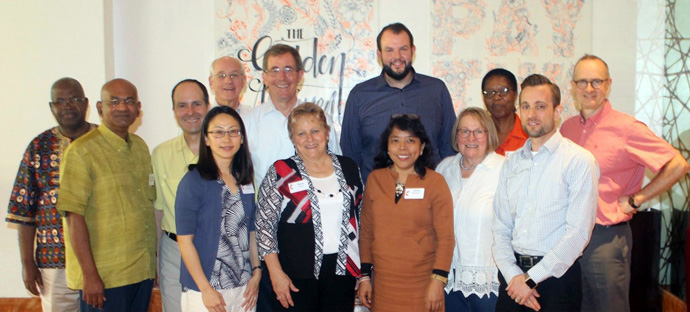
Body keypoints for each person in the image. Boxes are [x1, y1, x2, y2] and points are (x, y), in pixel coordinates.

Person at [560, 55, 690, 312]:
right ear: (573, 87)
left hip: (605, 240)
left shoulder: (627, 128)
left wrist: (636, 200)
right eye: (583, 82)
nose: (589, 89)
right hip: (569, 238)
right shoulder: (566, 129)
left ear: (608, 84)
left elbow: (678, 165)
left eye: (596, 81)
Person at [492, 74, 599, 312]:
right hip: (513, 278)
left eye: (540, 106)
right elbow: (500, 228)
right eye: (526, 106)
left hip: (557, 281)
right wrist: (514, 277)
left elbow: (578, 234)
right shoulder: (511, 163)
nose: (531, 114)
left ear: (557, 110)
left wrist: (531, 279)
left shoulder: (579, 161)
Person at [58, 78, 156, 311]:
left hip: (140, 271)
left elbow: (146, 207)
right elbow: (73, 217)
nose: (122, 107)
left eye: (129, 101)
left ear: (138, 108)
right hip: (104, 277)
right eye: (115, 102)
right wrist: (89, 276)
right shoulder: (81, 152)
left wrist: (152, 265)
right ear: (101, 108)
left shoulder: (141, 148)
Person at [255, 103, 363, 311]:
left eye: (315, 131)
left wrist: (363, 272)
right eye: (301, 133)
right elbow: (264, 226)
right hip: (294, 275)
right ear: (293, 138)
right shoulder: (281, 172)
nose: (309, 139)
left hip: (342, 273)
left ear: (326, 132)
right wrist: (276, 273)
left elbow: (361, 218)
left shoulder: (349, 167)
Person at [6, 77, 95, 312]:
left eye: (74, 99)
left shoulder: (104, 141)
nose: (68, 106)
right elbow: (23, 212)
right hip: (54, 263)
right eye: (61, 101)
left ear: (86, 103)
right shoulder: (38, 147)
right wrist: (27, 263)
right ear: (52, 107)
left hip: (102, 259)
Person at [357, 114, 454, 312]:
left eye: (410, 140)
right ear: (387, 146)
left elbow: (446, 238)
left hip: (423, 286)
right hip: (383, 287)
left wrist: (438, 281)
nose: (402, 148)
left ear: (421, 147)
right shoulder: (375, 180)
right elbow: (366, 233)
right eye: (395, 141)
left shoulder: (435, 182)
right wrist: (365, 277)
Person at [341, 22, 456, 182]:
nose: (397, 57)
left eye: (403, 49)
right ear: (379, 54)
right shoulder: (360, 96)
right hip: (378, 198)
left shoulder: (437, 90)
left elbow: (450, 150)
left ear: (413, 51)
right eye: (389, 50)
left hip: (428, 198)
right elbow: (350, 156)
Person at [175, 106, 261, 312]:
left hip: (244, 288)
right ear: (206, 139)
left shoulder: (245, 179)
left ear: (241, 138)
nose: (226, 138)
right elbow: (185, 242)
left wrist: (257, 272)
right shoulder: (193, 182)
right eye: (218, 132)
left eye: (233, 131)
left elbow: (251, 232)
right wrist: (205, 289)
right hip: (206, 290)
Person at [435, 107, 504, 311]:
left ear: (489, 134)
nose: (471, 137)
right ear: (456, 136)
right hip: (447, 281)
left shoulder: (504, 169)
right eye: (464, 131)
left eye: (478, 131)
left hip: (489, 283)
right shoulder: (444, 169)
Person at [243, 44, 340, 186]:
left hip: (315, 206)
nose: (282, 77)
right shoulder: (248, 122)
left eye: (288, 70)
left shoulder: (321, 120)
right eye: (274, 70)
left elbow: (337, 166)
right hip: (266, 206)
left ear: (299, 75)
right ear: (265, 77)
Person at [152, 79, 210, 312]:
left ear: (208, 106)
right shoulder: (161, 153)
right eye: (182, 105)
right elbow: (158, 209)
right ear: (174, 111)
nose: (190, 112)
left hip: (212, 249)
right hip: (173, 251)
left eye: (196, 104)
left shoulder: (225, 151)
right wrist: (157, 258)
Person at [481, 68, 527, 156]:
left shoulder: (529, 135)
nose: (496, 97)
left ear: (515, 94)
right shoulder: (476, 137)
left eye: (503, 91)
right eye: (490, 92)